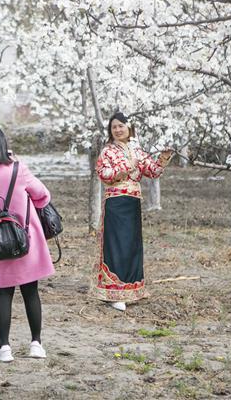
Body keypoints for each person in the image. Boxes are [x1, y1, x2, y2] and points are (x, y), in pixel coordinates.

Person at [0, 126, 54, 362]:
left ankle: (4, 348)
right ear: (2, 145)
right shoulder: (18, 169)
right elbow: (42, 194)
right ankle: (36, 344)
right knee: (31, 292)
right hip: (25, 239)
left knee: (3, 294)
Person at [90, 111, 172, 311]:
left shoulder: (138, 150)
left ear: (129, 127)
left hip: (133, 202)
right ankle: (113, 291)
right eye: (114, 127)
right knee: (116, 244)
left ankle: (132, 288)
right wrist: (127, 168)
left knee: (132, 245)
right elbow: (104, 174)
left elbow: (152, 172)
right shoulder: (107, 151)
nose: (118, 130)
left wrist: (163, 159)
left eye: (121, 126)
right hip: (116, 202)